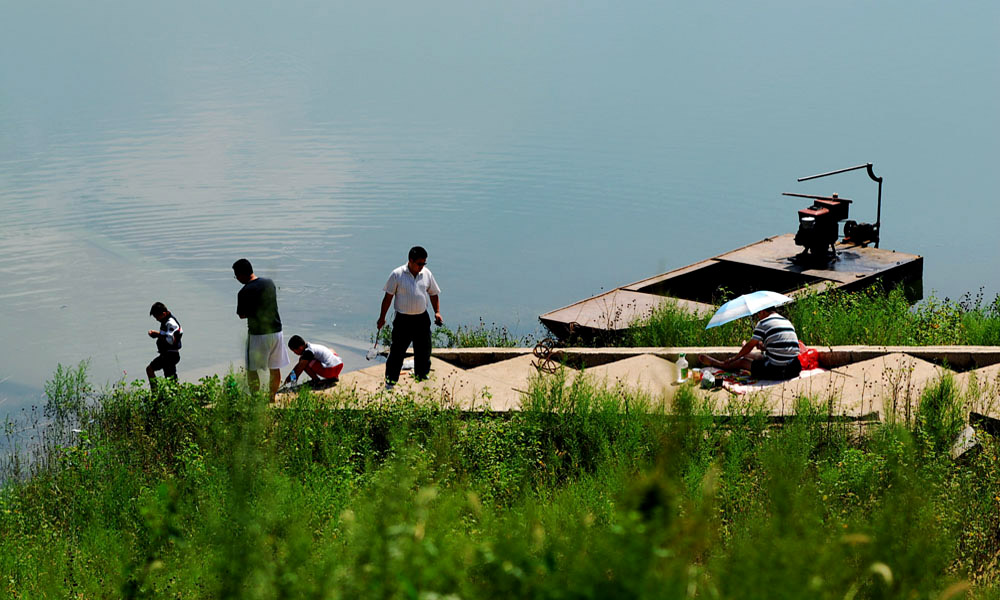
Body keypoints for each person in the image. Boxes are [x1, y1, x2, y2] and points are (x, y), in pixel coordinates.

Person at [377, 246, 443, 387]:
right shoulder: (397, 274)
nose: (422, 266)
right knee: (397, 351)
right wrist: (382, 317)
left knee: (424, 349)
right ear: (410, 261)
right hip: (403, 320)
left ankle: (422, 375)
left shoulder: (426, 274)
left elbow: (433, 293)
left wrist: (437, 312)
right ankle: (391, 379)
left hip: (421, 318)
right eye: (419, 263)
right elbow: (388, 297)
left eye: (424, 263)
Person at [233, 258, 289, 401]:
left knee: (252, 369)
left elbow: (241, 315)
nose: (237, 279)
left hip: (258, 335)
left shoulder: (244, 291)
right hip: (276, 331)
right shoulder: (269, 283)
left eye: (236, 276)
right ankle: (271, 397)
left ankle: (256, 399)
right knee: (275, 368)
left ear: (241, 274)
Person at [698, 308, 802, 380]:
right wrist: (763, 346)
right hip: (794, 368)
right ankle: (746, 354)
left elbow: (750, 346)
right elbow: (780, 346)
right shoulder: (786, 321)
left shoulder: (763, 323)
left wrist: (735, 358)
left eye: (759, 314)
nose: (758, 316)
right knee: (760, 356)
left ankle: (719, 364)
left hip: (777, 371)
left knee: (742, 361)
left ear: (763, 311)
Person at [146, 301, 182, 393]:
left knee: (150, 369)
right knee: (171, 379)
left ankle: (155, 393)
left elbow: (170, 339)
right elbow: (165, 336)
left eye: (157, 317)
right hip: (167, 355)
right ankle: (175, 396)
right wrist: (156, 335)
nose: (157, 319)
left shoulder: (171, 323)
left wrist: (156, 335)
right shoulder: (165, 322)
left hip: (170, 355)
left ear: (164, 314)